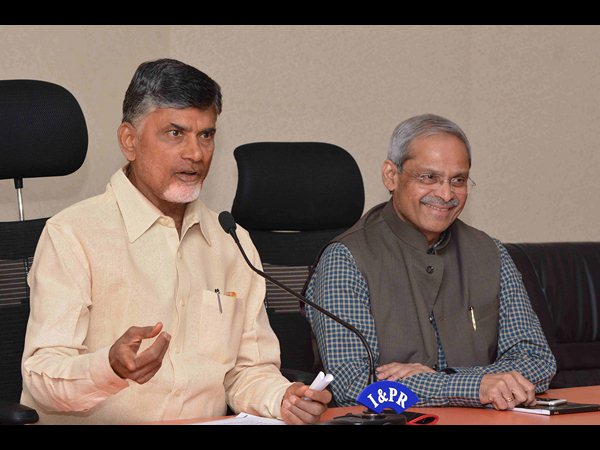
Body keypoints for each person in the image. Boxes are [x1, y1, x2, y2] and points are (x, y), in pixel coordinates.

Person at [20, 58, 331, 424]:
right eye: (174, 133)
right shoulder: (73, 234)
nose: (195, 154)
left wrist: (282, 398)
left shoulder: (231, 240)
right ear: (130, 141)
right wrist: (110, 368)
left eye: (206, 135)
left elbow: (246, 371)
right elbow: (42, 376)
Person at [305, 113, 556, 410]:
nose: (446, 194)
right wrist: (475, 386)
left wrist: (447, 379)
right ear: (391, 176)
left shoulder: (491, 253)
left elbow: (538, 361)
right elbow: (353, 385)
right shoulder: (345, 258)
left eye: (458, 180)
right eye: (429, 178)